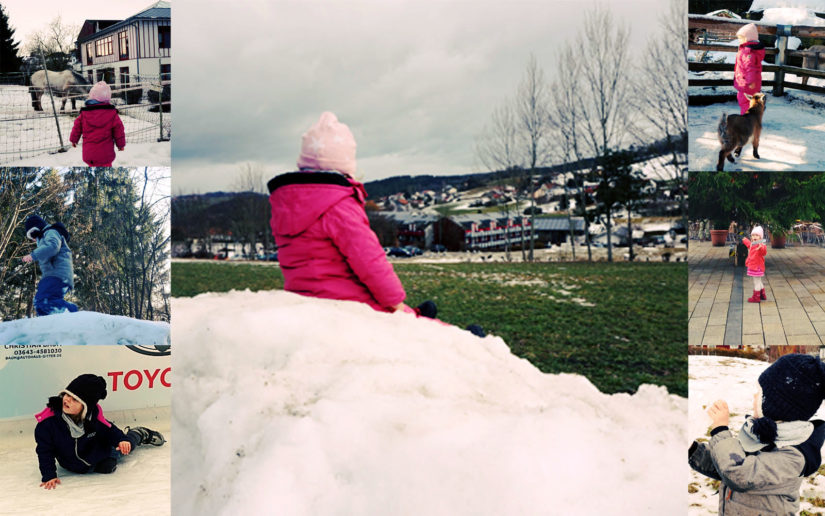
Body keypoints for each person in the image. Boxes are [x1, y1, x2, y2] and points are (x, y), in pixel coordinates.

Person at [267, 112, 481, 334]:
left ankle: (415, 315)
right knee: (403, 321)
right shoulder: (338, 205)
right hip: (346, 301)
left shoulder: (286, 204)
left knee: (394, 312)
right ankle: (463, 339)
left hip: (305, 295)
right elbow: (369, 260)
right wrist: (396, 302)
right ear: (345, 164)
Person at [688, 354, 825, 515]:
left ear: (776, 405)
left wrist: (720, 429)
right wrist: (693, 450)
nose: (754, 396)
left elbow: (738, 472)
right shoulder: (759, 434)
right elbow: (724, 467)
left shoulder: (794, 456)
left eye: (760, 393)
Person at [34, 374, 166, 489]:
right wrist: (49, 475)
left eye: (75, 399)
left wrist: (122, 440)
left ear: (85, 407)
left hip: (99, 451)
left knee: (124, 448)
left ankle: (139, 434)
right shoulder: (48, 424)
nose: (67, 399)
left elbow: (111, 430)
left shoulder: (94, 419)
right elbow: (45, 451)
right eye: (67, 394)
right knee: (106, 467)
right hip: (71, 464)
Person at [22, 214, 78, 316]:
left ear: (36, 229)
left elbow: (53, 246)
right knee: (41, 303)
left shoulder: (51, 232)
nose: (33, 240)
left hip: (58, 274)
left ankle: (73, 313)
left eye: (33, 235)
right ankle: (50, 325)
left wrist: (33, 255)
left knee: (44, 300)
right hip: (53, 275)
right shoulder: (44, 238)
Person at [69, 81, 126, 167]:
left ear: (92, 96)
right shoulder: (112, 114)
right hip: (106, 155)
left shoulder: (84, 114)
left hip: (89, 154)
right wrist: (120, 145)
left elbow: (77, 127)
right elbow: (119, 130)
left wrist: (74, 139)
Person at [733, 23, 766, 115]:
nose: (739, 40)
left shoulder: (747, 52)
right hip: (751, 83)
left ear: (747, 38)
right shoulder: (750, 50)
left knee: (745, 102)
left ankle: (746, 119)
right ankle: (754, 117)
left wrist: (750, 82)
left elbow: (750, 68)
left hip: (747, 84)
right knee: (750, 102)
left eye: (740, 38)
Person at [742, 225, 767, 303]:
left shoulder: (761, 245)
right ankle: (762, 295)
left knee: (756, 282)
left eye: (757, 235)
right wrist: (745, 240)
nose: (754, 237)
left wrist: (761, 248)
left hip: (757, 267)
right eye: (753, 235)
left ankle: (756, 298)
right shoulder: (754, 244)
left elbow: (764, 251)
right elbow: (750, 245)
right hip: (754, 266)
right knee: (758, 281)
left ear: (760, 237)